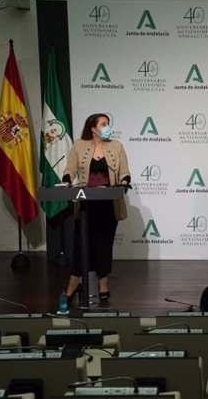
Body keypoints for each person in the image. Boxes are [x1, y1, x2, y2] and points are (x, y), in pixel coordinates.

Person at [62, 113, 131, 302]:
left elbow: (125, 171)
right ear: (93, 128)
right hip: (86, 205)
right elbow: (70, 169)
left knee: (104, 244)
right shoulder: (79, 145)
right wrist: (67, 179)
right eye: (104, 123)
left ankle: (103, 285)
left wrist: (124, 182)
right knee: (81, 245)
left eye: (108, 123)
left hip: (109, 204)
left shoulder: (116, 146)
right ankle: (74, 283)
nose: (107, 126)